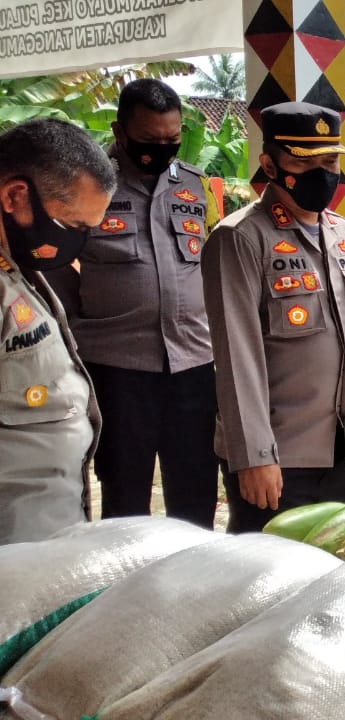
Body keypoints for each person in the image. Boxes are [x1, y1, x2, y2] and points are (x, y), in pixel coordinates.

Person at [202, 101, 345, 533]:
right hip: (277, 455)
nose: (321, 173)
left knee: (328, 575)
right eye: (302, 162)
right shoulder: (240, 238)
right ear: (269, 164)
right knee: (269, 583)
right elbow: (236, 358)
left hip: (337, 452)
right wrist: (253, 456)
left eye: (329, 161)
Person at [46, 79, 221, 528]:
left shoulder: (195, 187)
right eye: (149, 140)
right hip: (118, 368)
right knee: (125, 495)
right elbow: (55, 265)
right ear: (121, 132)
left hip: (192, 365)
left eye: (171, 139)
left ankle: (195, 585)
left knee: (196, 488)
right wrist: (85, 319)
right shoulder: (89, 187)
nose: (162, 148)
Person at [0, 119, 115, 543]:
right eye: (73, 226)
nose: (79, 244)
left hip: (39, 544)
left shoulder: (17, 266)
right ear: (15, 196)